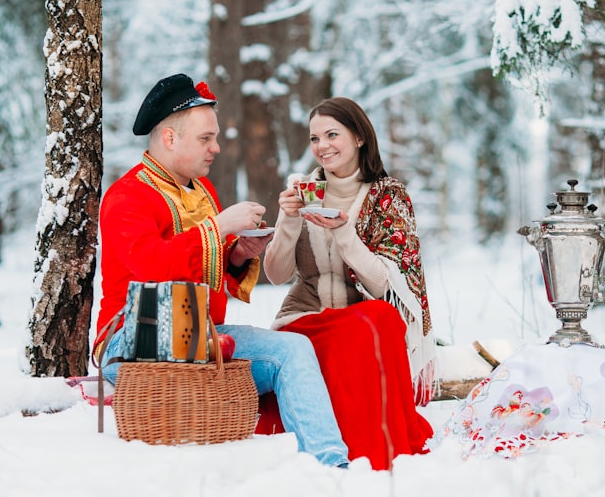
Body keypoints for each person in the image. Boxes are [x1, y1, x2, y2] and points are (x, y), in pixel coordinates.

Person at [93, 73, 349, 468]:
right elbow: (150, 267)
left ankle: (332, 468)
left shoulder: (203, 190)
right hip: (132, 338)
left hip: (202, 337)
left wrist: (237, 253)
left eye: (214, 137)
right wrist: (218, 228)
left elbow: (203, 263)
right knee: (215, 345)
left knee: (294, 348)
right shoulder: (127, 196)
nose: (215, 148)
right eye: (205, 138)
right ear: (170, 139)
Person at [263, 97, 437, 470]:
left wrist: (345, 233)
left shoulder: (387, 196)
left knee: (377, 319)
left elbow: (385, 288)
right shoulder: (303, 189)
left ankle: (369, 446)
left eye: (331, 135)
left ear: (358, 136)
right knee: (351, 330)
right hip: (305, 317)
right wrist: (288, 220)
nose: (322, 146)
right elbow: (276, 276)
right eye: (314, 139)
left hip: (360, 321)